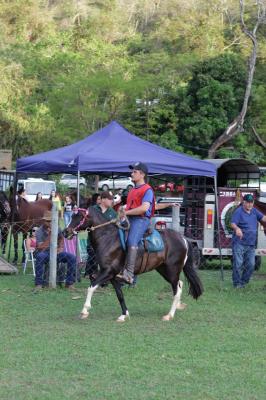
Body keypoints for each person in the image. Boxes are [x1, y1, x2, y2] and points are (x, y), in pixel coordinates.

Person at [117, 162, 155, 284]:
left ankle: (129, 274)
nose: (131, 173)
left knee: (132, 241)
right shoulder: (133, 189)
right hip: (130, 218)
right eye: (132, 171)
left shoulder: (147, 189)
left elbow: (144, 208)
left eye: (135, 172)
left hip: (141, 219)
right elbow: (130, 206)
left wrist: (126, 213)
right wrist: (123, 209)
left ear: (142, 174)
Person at [34, 210, 76, 290]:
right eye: (48, 221)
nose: (50, 223)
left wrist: (60, 247)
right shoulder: (39, 231)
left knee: (72, 257)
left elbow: (61, 238)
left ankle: (69, 283)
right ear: (43, 221)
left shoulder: (57, 228)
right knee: (39, 257)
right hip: (44, 253)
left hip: (56, 252)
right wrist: (50, 235)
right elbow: (40, 247)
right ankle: (38, 283)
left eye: (51, 221)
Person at [231, 193, 266, 288]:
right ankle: (237, 283)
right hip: (239, 243)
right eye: (248, 202)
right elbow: (233, 223)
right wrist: (237, 229)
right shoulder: (239, 212)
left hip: (251, 244)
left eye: (251, 202)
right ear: (244, 202)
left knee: (251, 265)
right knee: (238, 264)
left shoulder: (254, 211)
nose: (250, 204)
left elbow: (263, 218)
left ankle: (243, 282)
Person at [84, 191, 116, 281]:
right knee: (93, 256)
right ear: (103, 200)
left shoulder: (113, 212)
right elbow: (85, 223)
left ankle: (102, 276)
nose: (111, 201)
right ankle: (91, 274)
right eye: (110, 199)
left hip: (107, 244)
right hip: (93, 241)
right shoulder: (92, 210)